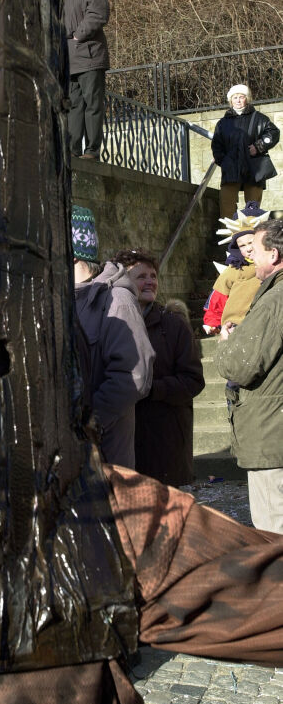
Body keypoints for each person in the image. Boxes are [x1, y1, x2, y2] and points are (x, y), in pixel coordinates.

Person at [112, 249, 205, 487]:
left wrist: (151, 388)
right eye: (142, 276)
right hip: (122, 438)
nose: (150, 282)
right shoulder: (110, 323)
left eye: (153, 276)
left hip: (164, 440)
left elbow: (193, 379)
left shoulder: (173, 326)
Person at [72, 207, 155, 467]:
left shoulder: (117, 299)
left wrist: (89, 422)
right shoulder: (61, 299)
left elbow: (134, 376)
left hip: (105, 453)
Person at [217, 219, 283, 534]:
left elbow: (240, 366)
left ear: (273, 255)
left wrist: (228, 345)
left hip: (273, 438)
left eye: (255, 250)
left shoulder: (275, 299)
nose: (250, 257)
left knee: (274, 535)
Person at [62, 0, 110, 160]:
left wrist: (77, 34)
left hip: (90, 56)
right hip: (70, 60)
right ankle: (73, 149)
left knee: (93, 105)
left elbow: (99, 14)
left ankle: (92, 151)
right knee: (74, 106)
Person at [211, 84, 280, 219]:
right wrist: (224, 161)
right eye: (235, 97)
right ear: (231, 101)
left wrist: (259, 146)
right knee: (226, 203)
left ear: (247, 99)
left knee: (252, 207)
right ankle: (231, 237)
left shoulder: (260, 118)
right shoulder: (223, 123)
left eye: (241, 97)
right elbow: (216, 146)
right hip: (230, 168)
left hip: (254, 168)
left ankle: (250, 238)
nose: (238, 100)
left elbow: (273, 133)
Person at [203, 202, 269, 335]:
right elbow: (217, 298)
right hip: (235, 328)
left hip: (265, 326)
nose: (248, 248)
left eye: (251, 242)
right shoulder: (233, 271)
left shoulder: (274, 266)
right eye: (242, 245)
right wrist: (212, 321)